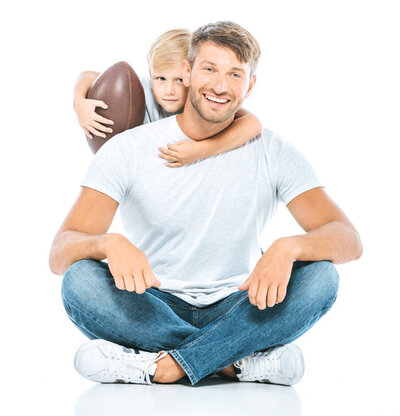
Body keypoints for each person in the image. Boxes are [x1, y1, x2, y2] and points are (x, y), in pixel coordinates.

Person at [49, 20, 363, 387]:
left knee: (321, 277)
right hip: (152, 303)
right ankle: (234, 361)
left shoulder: (272, 151)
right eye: (209, 69)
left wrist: (289, 246)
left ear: (251, 85)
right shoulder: (130, 148)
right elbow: (60, 253)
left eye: (235, 74)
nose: (219, 85)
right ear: (188, 70)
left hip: (242, 304)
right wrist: (108, 242)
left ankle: (162, 367)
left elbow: (348, 239)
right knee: (80, 282)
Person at [72, 28, 263, 166]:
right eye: (161, 78)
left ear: (190, 75)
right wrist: (78, 102)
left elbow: (253, 124)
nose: (169, 90)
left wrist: (202, 150)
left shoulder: (202, 101)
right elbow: (89, 75)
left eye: (179, 80)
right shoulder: (143, 90)